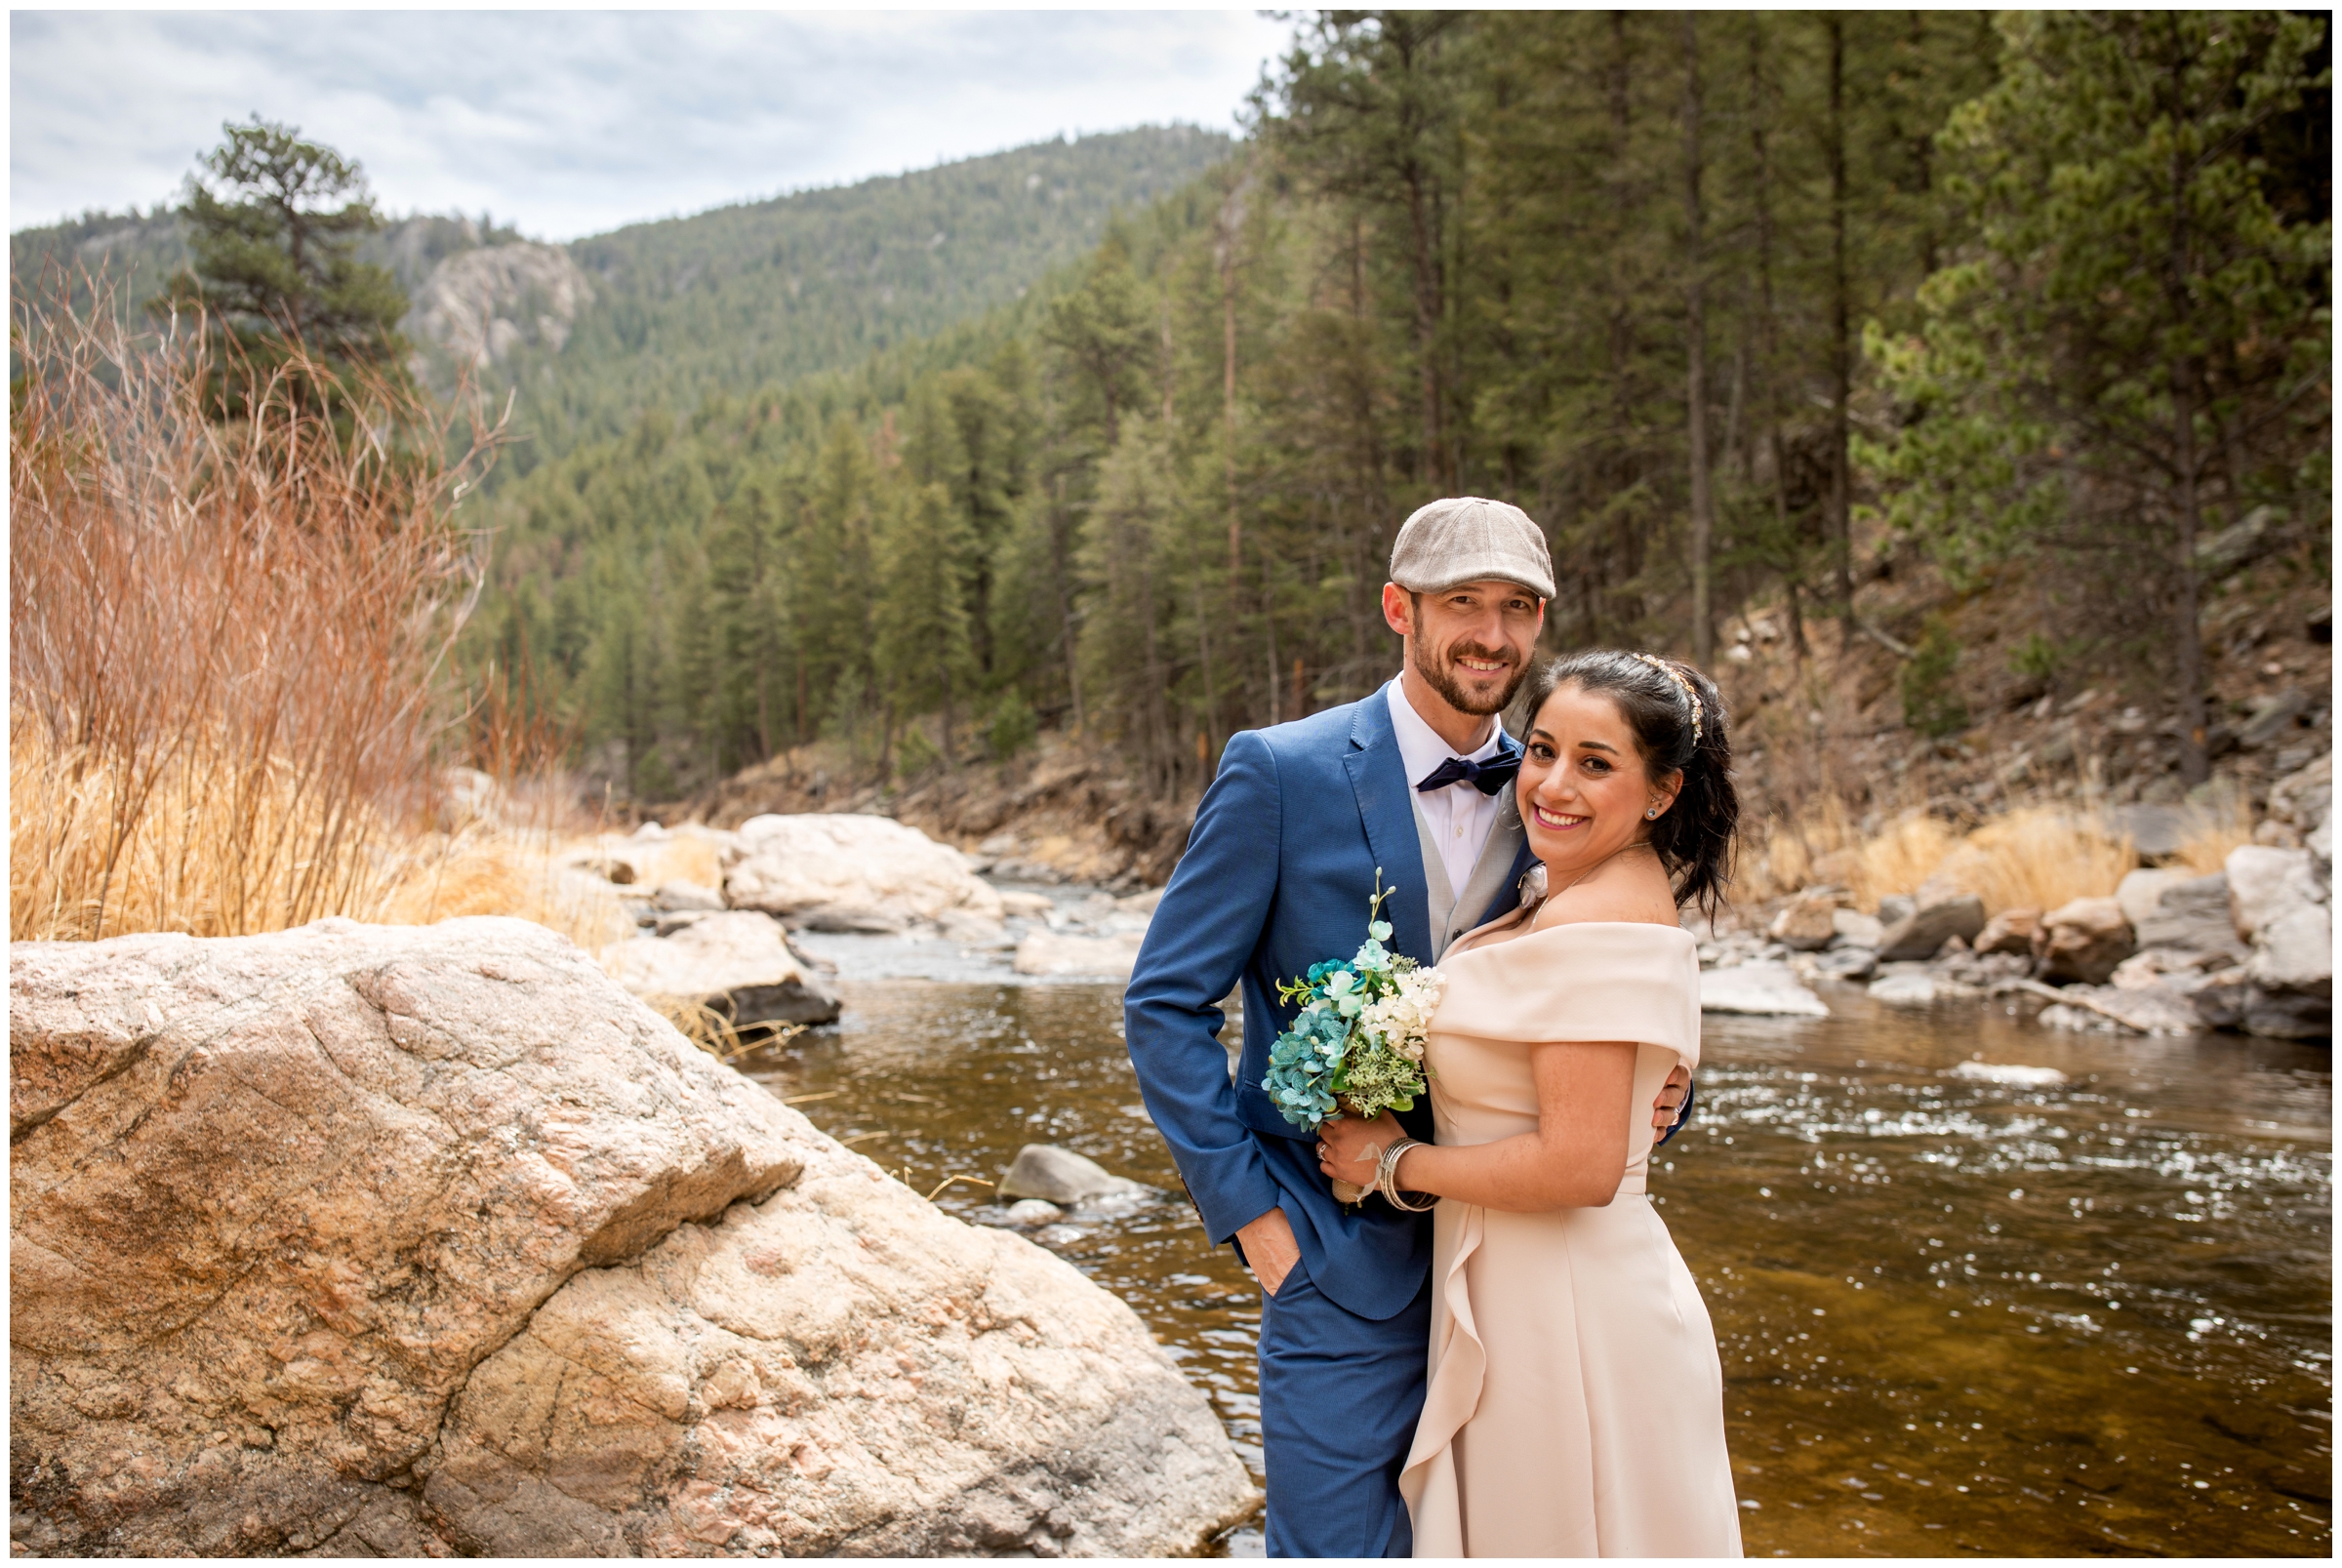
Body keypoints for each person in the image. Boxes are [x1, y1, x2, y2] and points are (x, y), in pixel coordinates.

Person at [1124, 499, 1692, 1558]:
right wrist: (1253, 1215)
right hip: (1340, 1257)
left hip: (1520, 1262)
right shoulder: (1279, 772)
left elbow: (1610, 975)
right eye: (1462, 602)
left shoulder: (1559, 785)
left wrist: (1665, 1088)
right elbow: (1163, 1001)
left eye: (1517, 606)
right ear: (1399, 607)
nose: (1492, 632)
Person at [1316, 648, 1744, 1557]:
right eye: (1543, 750)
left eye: (1597, 764)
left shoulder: (1600, 917)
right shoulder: (1571, 888)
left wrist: (1389, 1164)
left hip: (1572, 1310)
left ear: (1662, 793)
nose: (1553, 784)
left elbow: (1581, 1166)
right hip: (1531, 1290)